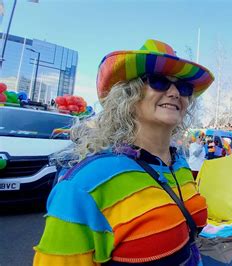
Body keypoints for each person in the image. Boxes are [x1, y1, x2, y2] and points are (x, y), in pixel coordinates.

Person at [33, 39, 214, 265]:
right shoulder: (85, 184)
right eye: (159, 82)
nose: (176, 92)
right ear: (129, 94)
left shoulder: (180, 164)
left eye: (184, 87)